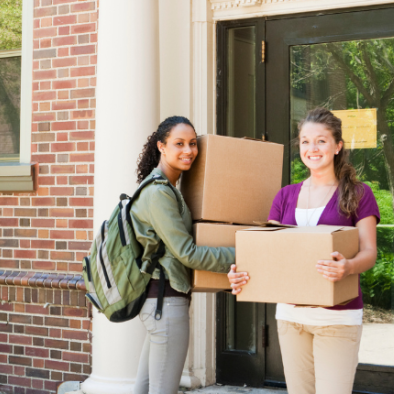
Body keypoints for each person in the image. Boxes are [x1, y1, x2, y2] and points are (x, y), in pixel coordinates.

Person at [228, 107, 379, 394]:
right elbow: (269, 253)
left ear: (338, 146)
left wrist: (347, 267)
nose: (312, 148)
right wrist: (243, 274)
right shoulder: (285, 196)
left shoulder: (359, 193)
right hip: (291, 317)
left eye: (321, 141)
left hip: (338, 316)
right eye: (305, 141)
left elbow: (369, 252)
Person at [131, 116, 235, 394]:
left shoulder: (167, 189)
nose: (188, 150)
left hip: (158, 304)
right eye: (179, 144)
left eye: (192, 143)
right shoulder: (159, 194)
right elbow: (186, 253)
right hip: (165, 305)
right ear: (162, 147)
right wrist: (242, 254)